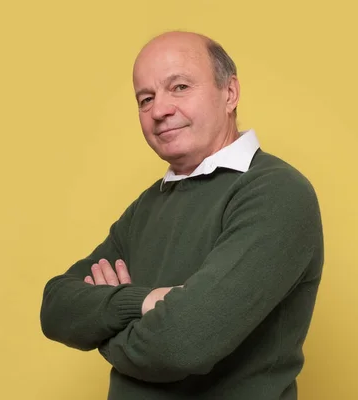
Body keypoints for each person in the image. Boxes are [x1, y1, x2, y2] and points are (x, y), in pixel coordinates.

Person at [40, 31, 324, 400]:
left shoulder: (275, 192)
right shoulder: (149, 204)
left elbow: (183, 343)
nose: (159, 110)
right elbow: (55, 307)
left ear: (230, 93)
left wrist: (103, 332)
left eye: (179, 87)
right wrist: (143, 302)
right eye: (146, 98)